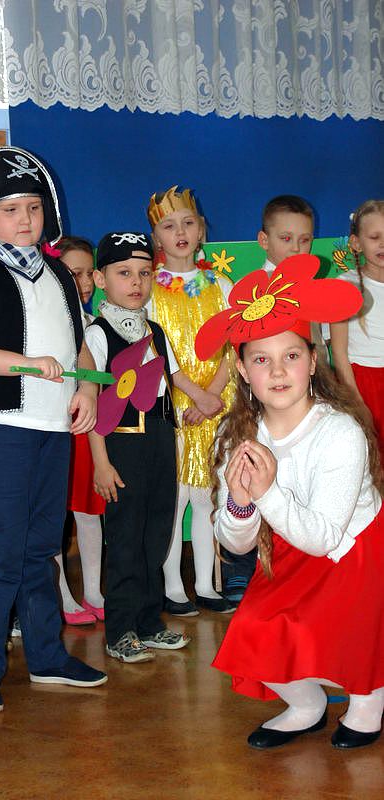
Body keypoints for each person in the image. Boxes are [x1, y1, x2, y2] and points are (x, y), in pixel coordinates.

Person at [0, 146, 107, 713]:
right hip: (0, 427)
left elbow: (79, 344)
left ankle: (47, 657)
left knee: (41, 549)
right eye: (10, 209)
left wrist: (85, 389)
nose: (26, 219)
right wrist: (25, 365)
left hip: (52, 429)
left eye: (33, 207)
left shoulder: (57, 271)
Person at [195, 253, 384, 749]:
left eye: (292, 356)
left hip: (353, 549)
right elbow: (236, 544)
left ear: (313, 361)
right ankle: (307, 706)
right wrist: (240, 504)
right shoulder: (237, 435)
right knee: (253, 629)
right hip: (293, 546)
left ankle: (369, 699)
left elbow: (323, 538)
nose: (278, 371)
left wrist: (267, 491)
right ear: (241, 368)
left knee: (353, 631)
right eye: (261, 359)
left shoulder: (339, 431)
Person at [87, 231, 217, 662]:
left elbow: (173, 376)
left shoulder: (155, 330)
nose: (136, 282)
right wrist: (101, 462)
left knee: (156, 532)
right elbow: (93, 400)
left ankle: (148, 621)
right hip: (121, 444)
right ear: (101, 279)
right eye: (124, 273)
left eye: (144, 273)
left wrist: (203, 397)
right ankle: (120, 630)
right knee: (126, 536)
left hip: (161, 437)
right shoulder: (98, 335)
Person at [220, 194, 318, 607]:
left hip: (303, 400)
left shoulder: (311, 289)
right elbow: (238, 354)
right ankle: (241, 569)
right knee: (250, 473)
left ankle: (298, 563)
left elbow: (315, 348)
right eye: (286, 238)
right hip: (259, 403)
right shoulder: (251, 292)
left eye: (305, 240)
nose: (296, 248)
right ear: (264, 240)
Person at [146, 187, 235, 615]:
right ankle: (172, 586)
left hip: (218, 405)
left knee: (206, 498)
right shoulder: (149, 291)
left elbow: (235, 347)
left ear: (201, 231)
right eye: (169, 226)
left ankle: (205, 584)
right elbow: (154, 352)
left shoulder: (221, 285)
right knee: (176, 497)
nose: (179, 232)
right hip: (175, 407)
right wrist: (194, 396)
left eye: (187, 223)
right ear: (156, 238)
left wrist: (212, 395)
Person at [54, 236, 105, 625]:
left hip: (87, 431)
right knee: (54, 516)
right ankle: (61, 594)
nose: (84, 282)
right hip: (55, 428)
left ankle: (93, 591)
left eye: (89, 273)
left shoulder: (93, 323)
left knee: (89, 513)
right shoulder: (51, 323)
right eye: (74, 273)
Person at [330, 200, 384, 464]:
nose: (383, 244)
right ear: (356, 243)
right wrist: (356, 401)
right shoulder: (345, 285)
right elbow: (339, 352)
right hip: (363, 383)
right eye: (375, 237)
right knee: (372, 462)